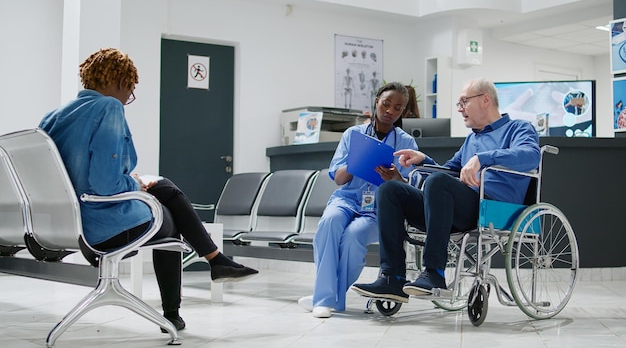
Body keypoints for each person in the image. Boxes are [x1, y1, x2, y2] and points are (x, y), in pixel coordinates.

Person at [38, 48, 258, 331]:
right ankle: (176, 308)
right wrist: (136, 184)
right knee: (168, 214)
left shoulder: (53, 118)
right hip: (102, 226)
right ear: (120, 82)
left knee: (164, 188)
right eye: (130, 92)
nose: (127, 99)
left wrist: (136, 182)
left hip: (65, 225)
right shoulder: (108, 107)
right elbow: (105, 186)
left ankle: (216, 261)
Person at [352, 78, 540, 302]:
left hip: (492, 207)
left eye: (463, 102)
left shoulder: (518, 128)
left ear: (485, 100)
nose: (460, 109)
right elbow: (447, 172)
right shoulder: (472, 139)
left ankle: (434, 273)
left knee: (438, 183)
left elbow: (531, 155)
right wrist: (423, 160)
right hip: (457, 207)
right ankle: (392, 277)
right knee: (390, 190)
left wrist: (482, 159)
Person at [298, 82, 420, 318]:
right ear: (376, 101)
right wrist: (356, 162)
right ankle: (325, 298)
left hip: (377, 211)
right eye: (386, 104)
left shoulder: (406, 143)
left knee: (353, 237)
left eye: (397, 108)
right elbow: (339, 178)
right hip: (346, 199)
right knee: (329, 223)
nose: (390, 111)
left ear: (403, 112)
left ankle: (323, 299)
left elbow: (409, 192)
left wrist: (394, 178)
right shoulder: (352, 134)